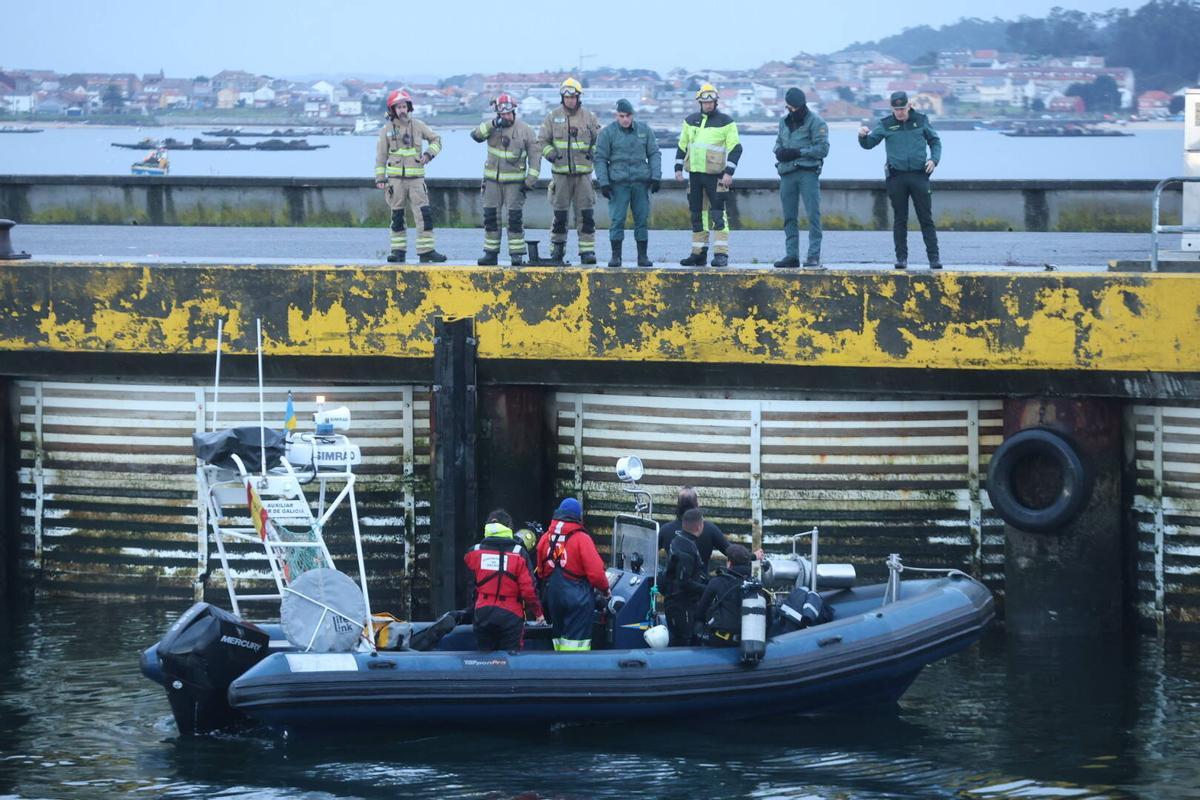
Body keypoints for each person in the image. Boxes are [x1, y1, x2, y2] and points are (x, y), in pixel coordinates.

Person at [858, 91, 943, 270]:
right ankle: (901, 258)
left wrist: (934, 160)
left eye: (902, 109)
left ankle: (934, 258)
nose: (900, 113)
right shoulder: (886, 124)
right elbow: (869, 144)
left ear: (909, 106)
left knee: (926, 218)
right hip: (896, 177)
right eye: (896, 109)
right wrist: (862, 136)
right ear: (892, 109)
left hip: (919, 175)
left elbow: (935, 141)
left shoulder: (921, 120)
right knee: (900, 219)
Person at [374, 89, 447, 264]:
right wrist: (380, 178)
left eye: (404, 106)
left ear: (409, 107)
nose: (402, 110)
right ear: (392, 110)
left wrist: (429, 154)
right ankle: (398, 252)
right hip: (395, 181)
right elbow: (381, 156)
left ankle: (426, 251)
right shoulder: (386, 130)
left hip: (416, 181)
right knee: (397, 217)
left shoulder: (419, 126)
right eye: (398, 107)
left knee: (424, 216)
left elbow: (437, 140)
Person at [674, 83, 742, 268]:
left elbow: (736, 148)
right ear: (700, 102)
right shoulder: (690, 121)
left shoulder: (726, 122)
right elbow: (682, 145)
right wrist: (678, 168)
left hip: (717, 176)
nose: (708, 105)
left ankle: (721, 254)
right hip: (695, 176)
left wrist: (729, 172)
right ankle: (698, 254)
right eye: (705, 102)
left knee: (718, 215)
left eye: (711, 102)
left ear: (716, 101)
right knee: (697, 215)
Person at [471, 93, 541, 266]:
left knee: (514, 219)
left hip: (515, 184)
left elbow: (535, 157)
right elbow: (476, 136)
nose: (506, 117)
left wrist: (530, 181)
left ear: (514, 112)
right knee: (491, 218)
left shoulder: (525, 130)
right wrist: (492, 124)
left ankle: (516, 254)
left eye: (509, 113)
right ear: (497, 114)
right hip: (492, 183)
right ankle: (490, 253)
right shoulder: (491, 128)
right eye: (503, 114)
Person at [538, 78, 602, 265]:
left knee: (586, 215)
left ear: (578, 97)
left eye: (574, 97)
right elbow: (542, 141)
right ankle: (557, 250)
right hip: (560, 175)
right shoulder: (552, 117)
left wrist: (592, 153)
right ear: (562, 97)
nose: (571, 100)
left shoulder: (589, 117)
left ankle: (587, 251)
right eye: (567, 97)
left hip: (583, 176)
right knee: (560, 216)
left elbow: (600, 141)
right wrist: (551, 155)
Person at [463, 509, 544, 651]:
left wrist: (471, 610)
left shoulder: (474, 552)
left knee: (483, 659)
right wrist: (538, 614)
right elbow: (528, 590)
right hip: (510, 616)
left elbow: (471, 586)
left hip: (482, 614)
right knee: (511, 662)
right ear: (509, 527)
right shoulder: (519, 554)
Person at [536, 497, 610, 651]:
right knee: (577, 644)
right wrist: (605, 589)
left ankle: (558, 669)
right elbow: (596, 573)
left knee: (558, 638)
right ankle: (575, 671)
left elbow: (541, 572)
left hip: (553, 596)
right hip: (577, 598)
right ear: (578, 516)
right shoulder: (581, 538)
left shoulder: (546, 538)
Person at [594, 98, 660, 267]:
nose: (625, 119)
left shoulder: (644, 130)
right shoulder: (607, 133)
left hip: (640, 183)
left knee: (642, 219)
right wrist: (604, 183)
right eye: (622, 116)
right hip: (618, 184)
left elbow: (653, 153)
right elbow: (600, 158)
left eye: (628, 116)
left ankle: (642, 257)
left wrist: (656, 176)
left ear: (632, 115)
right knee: (617, 220)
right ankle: (616, 257)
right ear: (617, 115)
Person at [773, 88, 829, 269]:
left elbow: (822, 149)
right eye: (788, 107)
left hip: (808, 173)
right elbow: (778, 143)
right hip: (787, 173)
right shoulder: (784, 122)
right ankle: (792, 255)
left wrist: (798, 152)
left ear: (801, 106)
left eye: (793, 108)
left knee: (813, 215)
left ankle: (813, 256)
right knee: (789, 217)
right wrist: (779, 152)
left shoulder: (817, 122)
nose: (791, 111)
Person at [660, 508, 708, 646]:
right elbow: (684, 582)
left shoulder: (679, 540)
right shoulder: (686, 548)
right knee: (682, 640)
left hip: (679, 602)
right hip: (680, 605)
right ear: (699, 526)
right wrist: (706, 589)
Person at [695, 544, 753, 647]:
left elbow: (700, 612)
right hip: (750, 642)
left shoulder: (717, 582)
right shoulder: (755, 585)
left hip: (722, 641)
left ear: (729, 563)